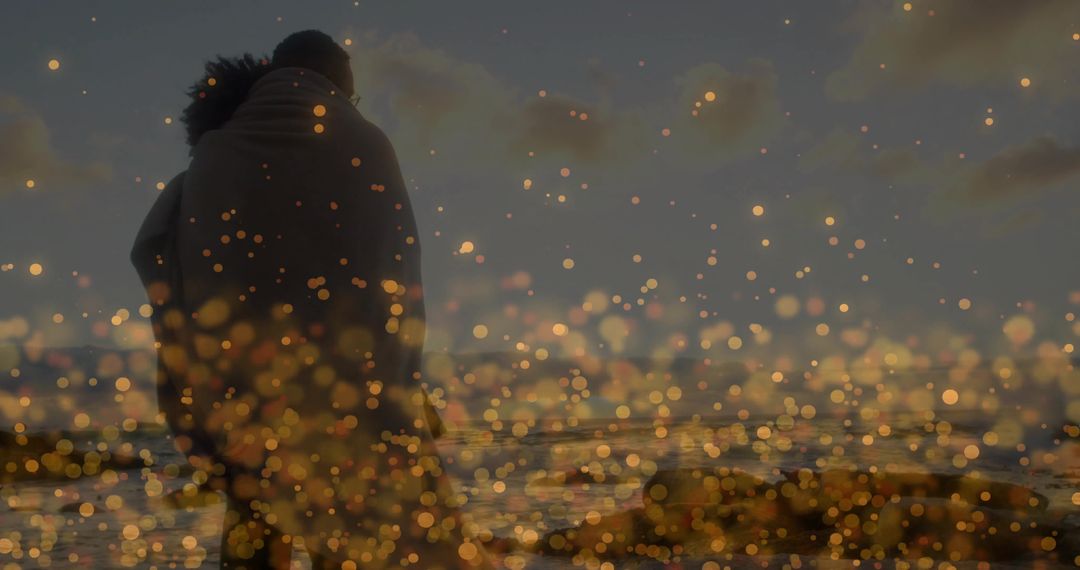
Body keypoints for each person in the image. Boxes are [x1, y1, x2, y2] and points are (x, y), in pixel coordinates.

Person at [132, 30, 491, 569]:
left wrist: (192, 381)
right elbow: (395, 278)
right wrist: (399, 381)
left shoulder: (215, 153)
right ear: (337, 85)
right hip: (351, 390)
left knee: (255, 521)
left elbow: (157, 251)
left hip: (244, 389)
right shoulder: (368, 146)